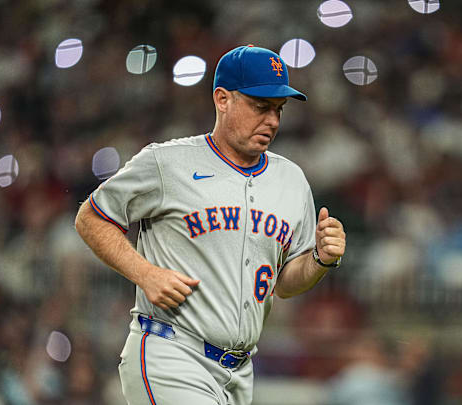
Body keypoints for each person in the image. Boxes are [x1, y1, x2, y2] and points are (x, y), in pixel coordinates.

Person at [74, 44, 347, 405]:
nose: (273, 121)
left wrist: (320, 260)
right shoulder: (168, 162)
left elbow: (283, 284)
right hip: (170, 353)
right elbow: (91, 217)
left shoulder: (292, 180)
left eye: (278, 110)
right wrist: (145, 273)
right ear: (222, 99)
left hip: (238, 372)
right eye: (261, 107)